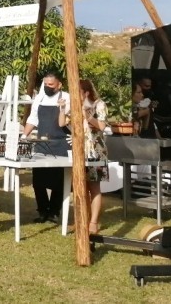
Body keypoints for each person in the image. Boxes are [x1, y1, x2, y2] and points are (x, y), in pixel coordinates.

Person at [60, 79, 109, 236]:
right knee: (80, 186)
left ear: (86, 92)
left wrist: (86, 115)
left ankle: (93, 222)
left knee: (93, 187)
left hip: (95, 151)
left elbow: (101, 126)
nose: (74, 95)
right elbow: (62, 123)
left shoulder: (98, 104)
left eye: (78, 92)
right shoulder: (74, 106)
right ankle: (81, 220)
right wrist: (62, 108)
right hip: (79, 151)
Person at [22, 72, 71, 224]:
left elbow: (69, 120)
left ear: (59, 85)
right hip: (42, 143)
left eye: (51, 84)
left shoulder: (67, 98)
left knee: (59, 180)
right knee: (38, 180)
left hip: (61, 142)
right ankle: (42, 210)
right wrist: (24, 136)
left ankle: (54, 212)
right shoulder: (40, 97)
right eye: (46, 84)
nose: (47, 87)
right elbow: (33, 118)